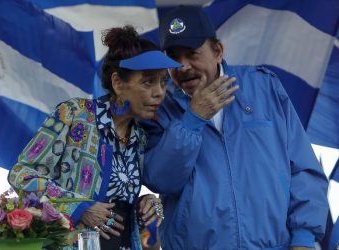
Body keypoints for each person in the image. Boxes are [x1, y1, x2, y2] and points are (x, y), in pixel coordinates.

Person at [140, 6, 329, 250]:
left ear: (217, 51)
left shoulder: (264, 88)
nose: (183, 66)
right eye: (173, 58)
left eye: (192, 54)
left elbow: (303, 169)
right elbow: (161, 180)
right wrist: (193, 119)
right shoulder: (160, 107)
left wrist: (304, 239)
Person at [8, 25, 181, 250]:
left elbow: (116, 208)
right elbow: (21, 175)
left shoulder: (140, 137)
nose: (159, 92)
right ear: (118, 83)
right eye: (148, 82)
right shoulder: (74, 114)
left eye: (162, 82)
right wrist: (80, 207)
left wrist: (143, 206)